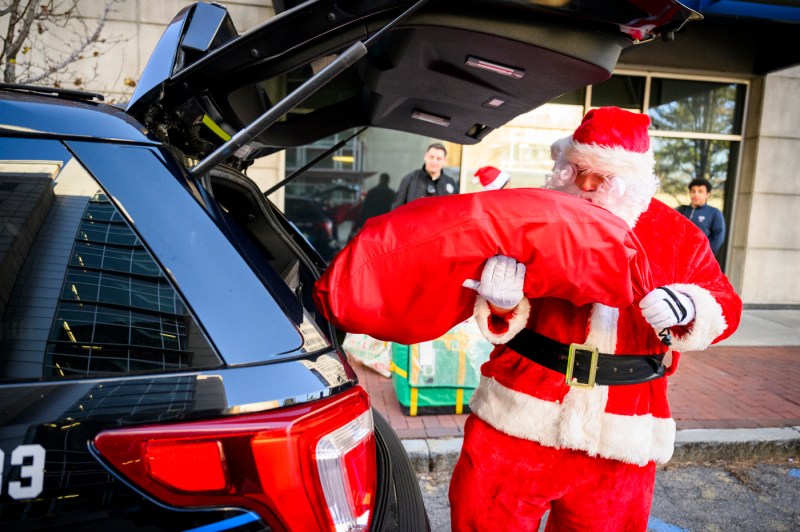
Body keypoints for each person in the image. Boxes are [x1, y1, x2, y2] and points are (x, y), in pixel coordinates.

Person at [450, 106, 742, 531]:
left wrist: (691, 307)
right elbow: (493, 310)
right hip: (518, 414)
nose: (585, 184)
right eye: (575, 169)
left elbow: (726, 306)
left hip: (621, 432)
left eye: (601, 175)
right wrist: (499, 303)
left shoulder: (677, 235)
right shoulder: (535, 215)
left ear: (633, 179)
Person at [391, 142, 459, 209]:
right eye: (431, 157)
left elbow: (456, 211)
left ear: (444, 161)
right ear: (425, 157)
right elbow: (397, 210)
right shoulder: (410, 180)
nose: (434, 162)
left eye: (438, 159)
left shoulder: (451, 183)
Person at [676, 177, 726, 254]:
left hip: (700, 258)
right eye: (693, 191)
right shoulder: (681, 210)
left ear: (707, 194)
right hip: (678, 254)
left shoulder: (714, 213)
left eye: (700, 191)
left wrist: (706, 254)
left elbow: (718, 236)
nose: (696, 194)